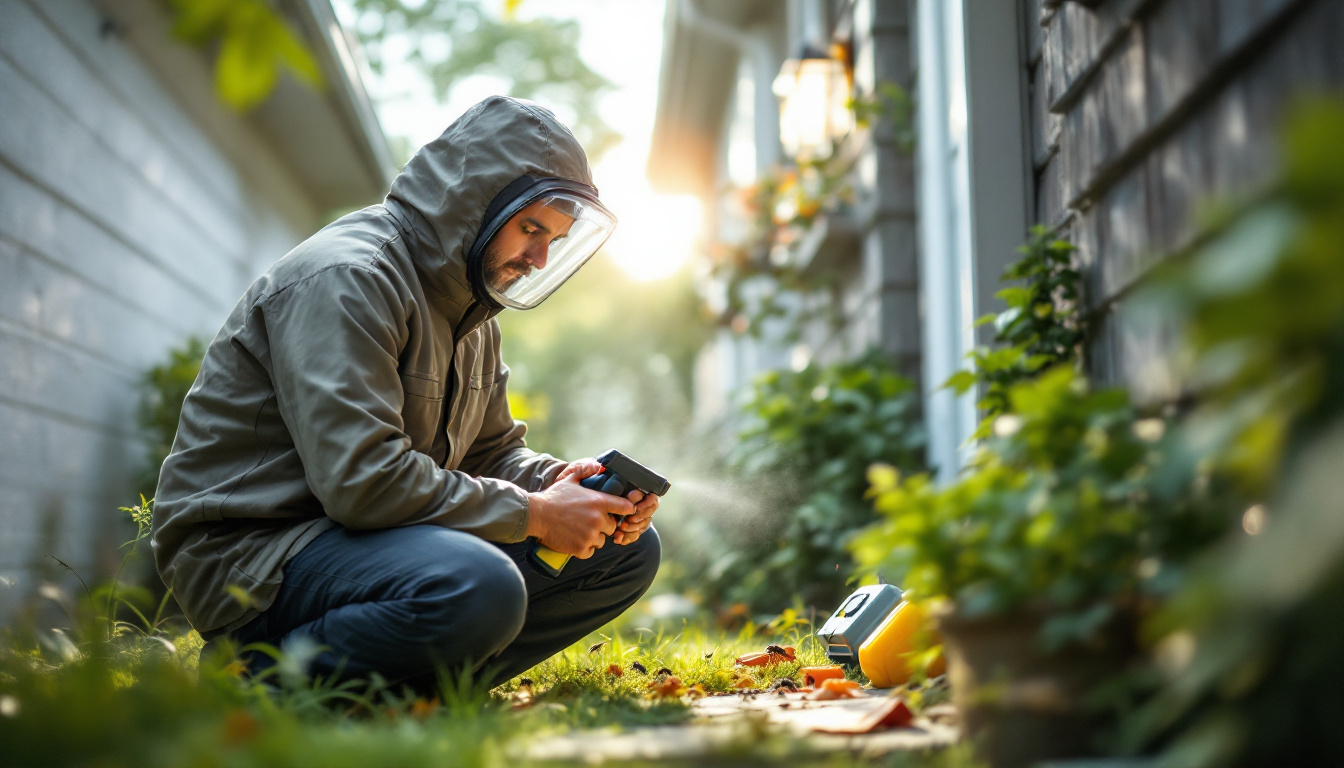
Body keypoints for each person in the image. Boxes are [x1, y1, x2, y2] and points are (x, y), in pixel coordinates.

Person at [151, 96, 660, 690]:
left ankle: (410, 694)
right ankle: (249, 683)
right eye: (531, 228)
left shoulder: (472, 314)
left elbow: (491, 455)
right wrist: (536, 515)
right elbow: (362, 483)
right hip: (259, 553)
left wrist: (561, 486)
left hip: (367, 540)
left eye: (555, 239)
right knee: (477, 585)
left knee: (626, 550)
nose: (538, 258)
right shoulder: (349, 278)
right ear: (477, 203)